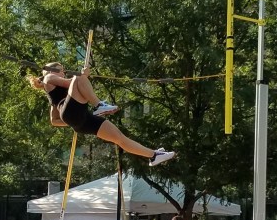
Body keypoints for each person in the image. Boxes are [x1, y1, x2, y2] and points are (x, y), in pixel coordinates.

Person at [28, 63, 176, 167]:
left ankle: (153, 155)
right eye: (61, 70)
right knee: (78, 77)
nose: (64, 72)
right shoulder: (48, 78)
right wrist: (84, 75)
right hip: (72, 112)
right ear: (53, 70)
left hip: (81, 118)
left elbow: (54, 121)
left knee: (119, 138)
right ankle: (99, 105)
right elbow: (70, 82)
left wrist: (73, 121)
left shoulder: (52, 94)